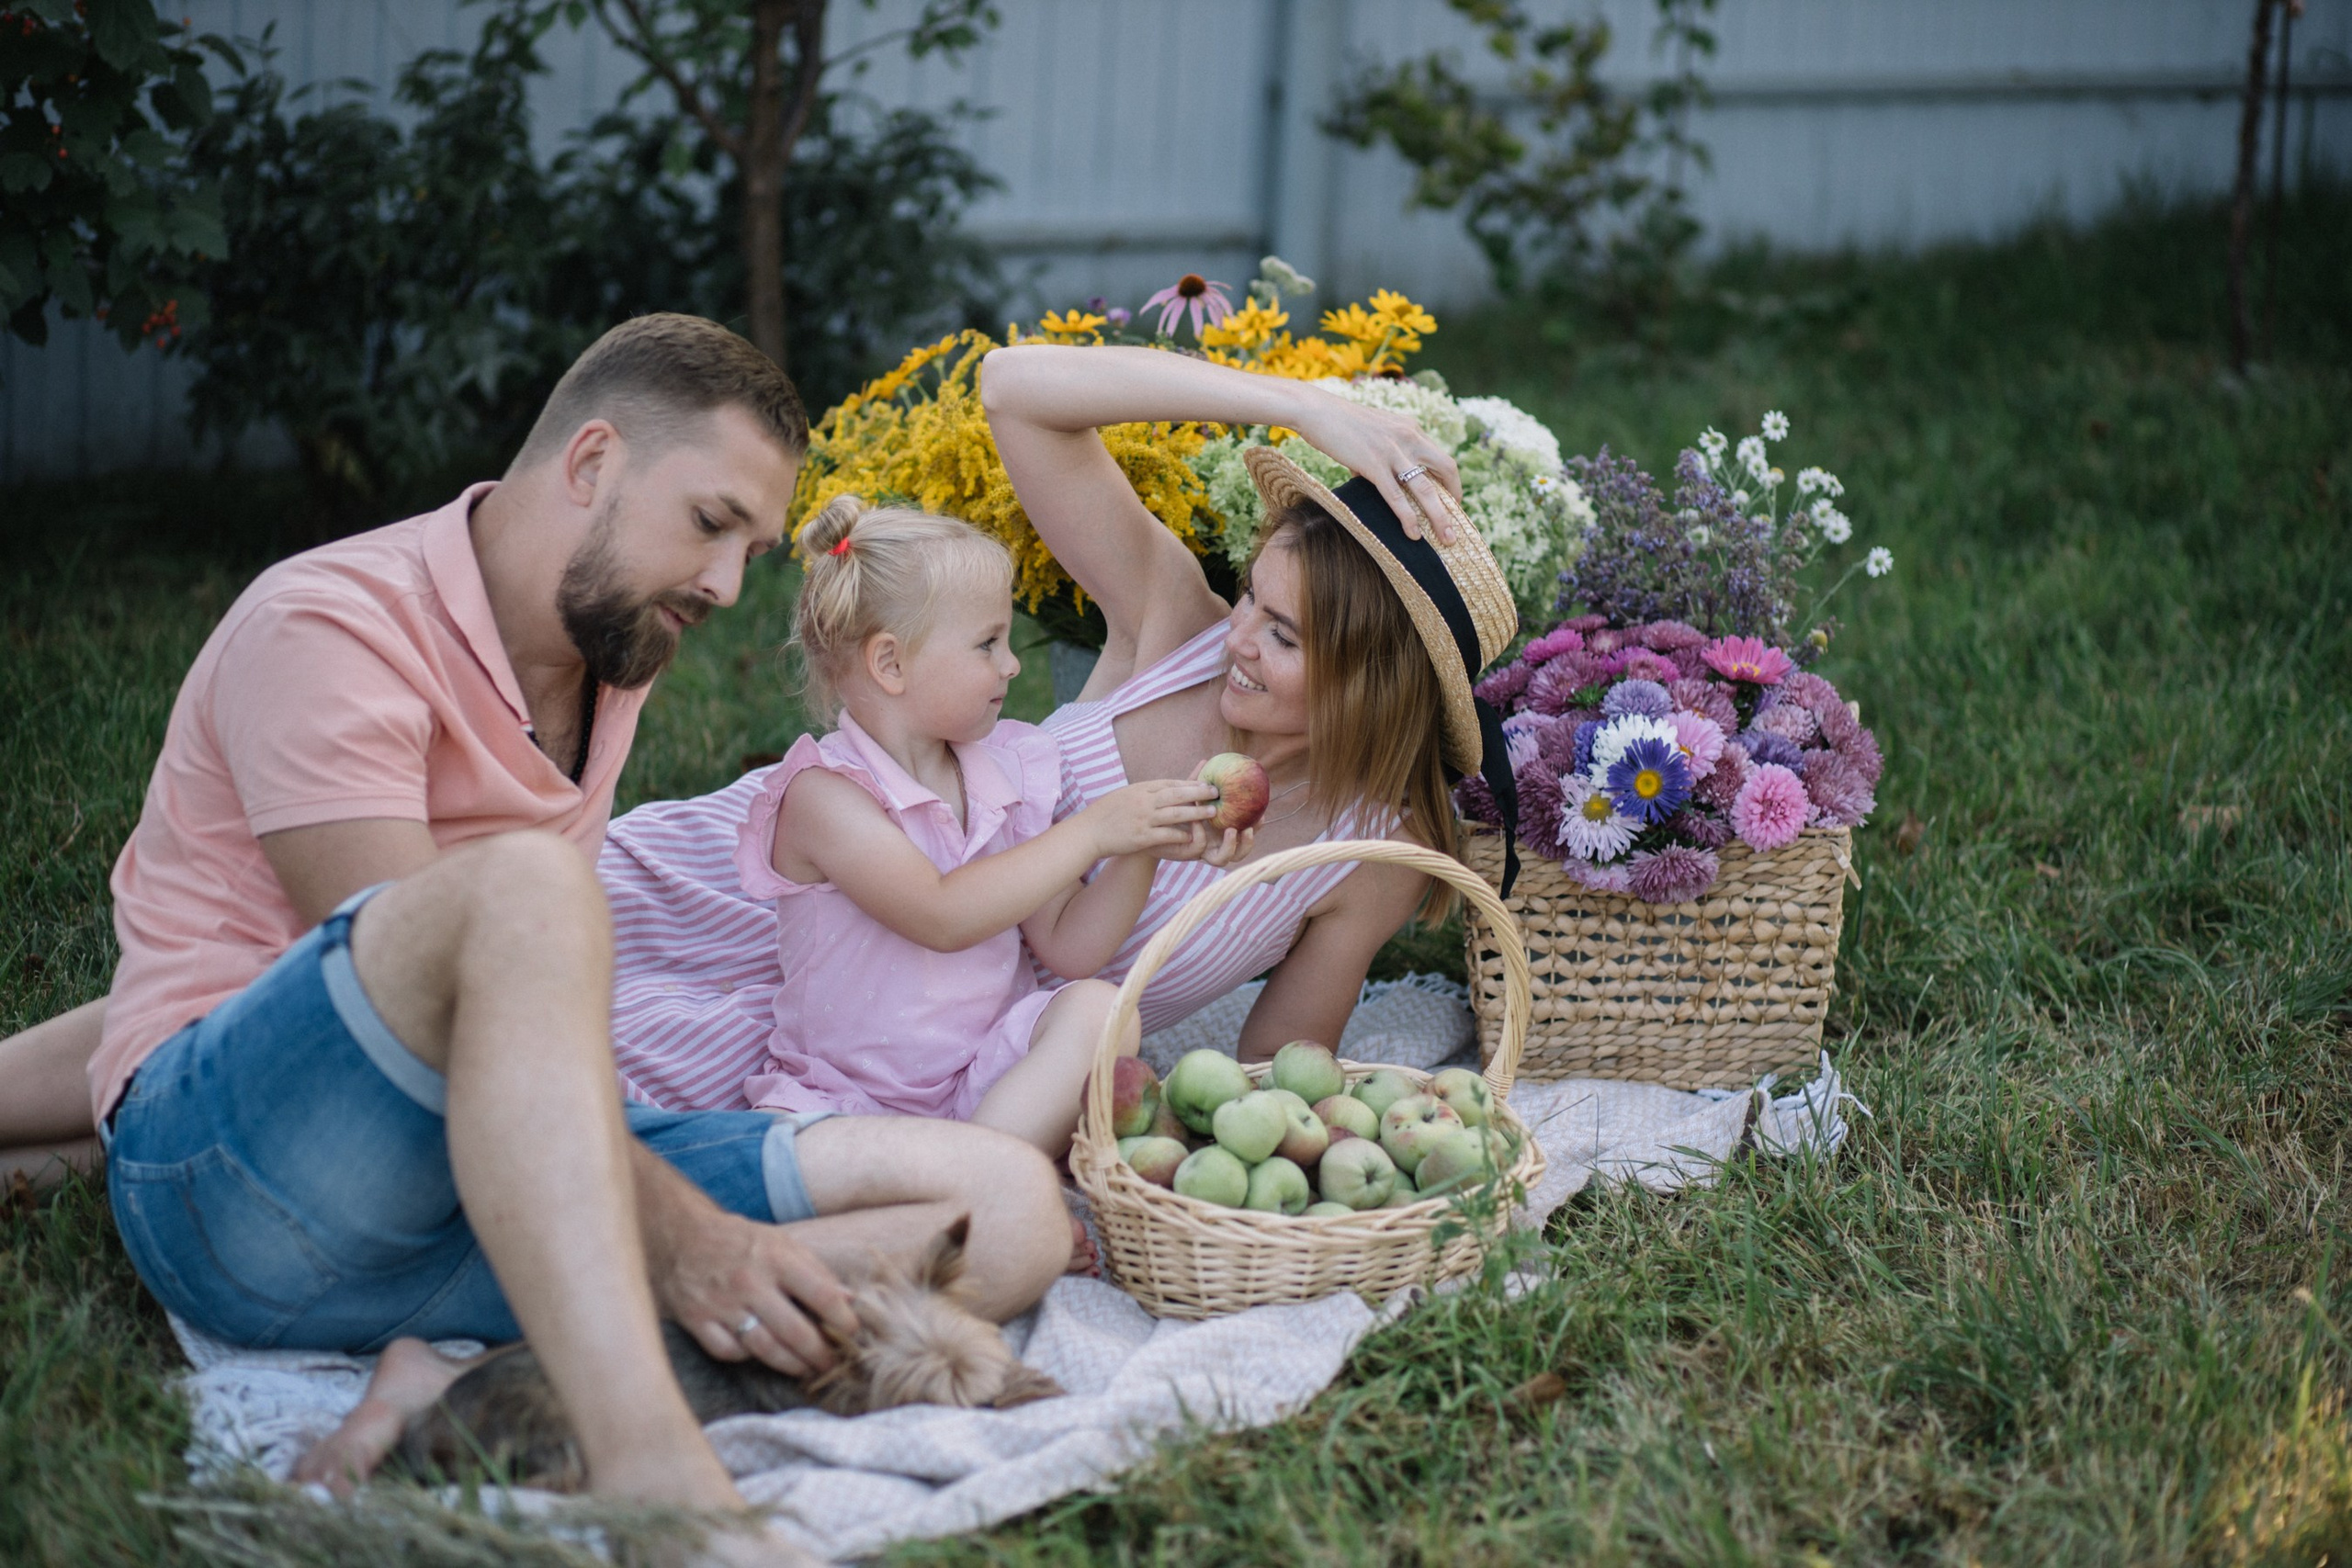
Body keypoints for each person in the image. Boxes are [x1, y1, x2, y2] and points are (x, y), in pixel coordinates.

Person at [0, 315, 1068, 1562]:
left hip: (481, 1196)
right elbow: (418, 985)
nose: (729, 585)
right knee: (525, 890)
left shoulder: (609, 650)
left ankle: (467, 1377)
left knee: (1005, 1212)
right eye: (712, 522)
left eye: (753, 548)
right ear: (592, 461)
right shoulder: (329, 626)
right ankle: (656, 1478)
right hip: (246, 1184)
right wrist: (687, 1234)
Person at [594, 342, 1523, 1112]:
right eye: (1251, 598)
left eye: (1281, 635)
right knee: (506, 975)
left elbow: (1275, 1083)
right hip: (781, 887)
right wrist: (1299, 407)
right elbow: (1016, 390)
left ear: (1373, 684)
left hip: (945, 1077)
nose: (1235, 637)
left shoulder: (1363, 856)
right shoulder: (1177, 629)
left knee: (592, 1124)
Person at [732, 493, 1237, 1155]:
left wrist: (1142, 843)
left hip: (983, 1089)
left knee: (1100, 1007)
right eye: (986, 643)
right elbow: (941, 914)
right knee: (815, 1165)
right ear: (891, 664)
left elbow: (1069, 945)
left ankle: (983, 1169)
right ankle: (978, 1182)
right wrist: (1090, 831)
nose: (1012, 664)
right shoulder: (825, 797)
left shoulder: (1003, 775)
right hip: (846, 1104)